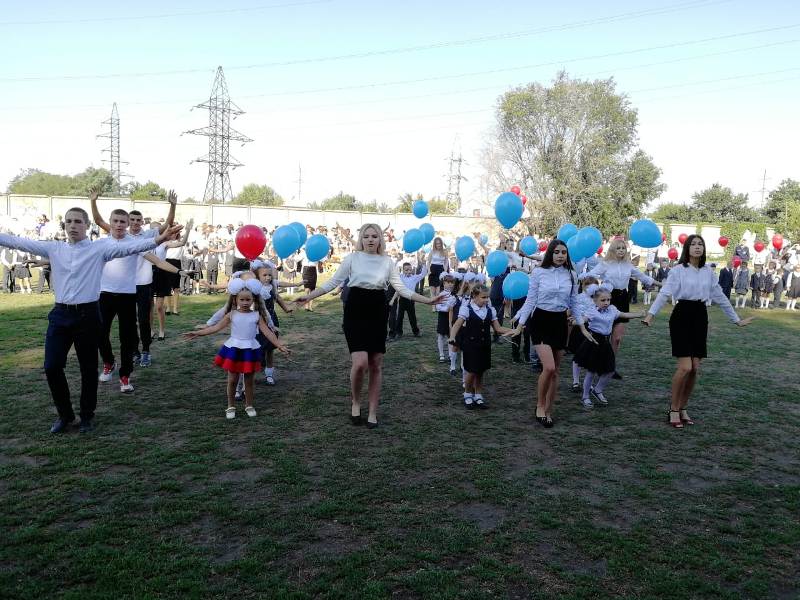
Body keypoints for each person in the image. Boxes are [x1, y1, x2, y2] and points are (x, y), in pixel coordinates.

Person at [0, 206, 181, 433]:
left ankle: (87, 415)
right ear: (64, 225)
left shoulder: (99, 249)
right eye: (69, 221)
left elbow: (130, 248)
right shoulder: (54, 248)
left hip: (88, 315)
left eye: (78, 221)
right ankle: (65, 415)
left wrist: (158, 239)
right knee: (52, 366)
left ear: (87, 225)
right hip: (60, 315)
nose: (73, 226)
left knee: (87, 368)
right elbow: (18, 242)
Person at [294, 223, 442, 428]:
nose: (370, 239)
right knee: (360, 363)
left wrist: (428, 300)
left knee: (376, 363)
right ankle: (356, 401)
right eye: (366, 236)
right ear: (361, 239)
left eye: (374, 236)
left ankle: (372, 411)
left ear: (380, 239)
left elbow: (402, 288)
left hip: (378, 309)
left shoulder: (387, 262)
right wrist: (309, 296)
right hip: (355, 308)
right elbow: (332, 283)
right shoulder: (352, 258)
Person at [642, 234, 753, 428]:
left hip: (700, 316)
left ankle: (683, 407)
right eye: (693, 244)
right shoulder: (678, 270)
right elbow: (665, 293)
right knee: (685, 367)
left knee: (695, 368)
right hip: (681, 316)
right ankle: (673, 409)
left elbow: (720, 296)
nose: (697, 247)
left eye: (700, 244)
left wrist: (736, 319)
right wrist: (651, 315)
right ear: (687, 248)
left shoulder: (708, 271)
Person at [510, 239, 590, 428]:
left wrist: (582, 326)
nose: (560, 255)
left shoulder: (572, 274)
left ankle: (548, 409)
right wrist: (520, 325)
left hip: (560, 322)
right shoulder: (539, 272)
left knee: (555, 372)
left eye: (563, 252)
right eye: (556, 252)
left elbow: (574, 302)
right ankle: (539, 405)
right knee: (549, 367)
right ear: (550, 253)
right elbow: (530, 300)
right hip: (540, 320)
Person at [183, 279, 289, 419]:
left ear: (253, 299)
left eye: (248, 300)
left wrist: (279, 345)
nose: (245, 302)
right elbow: (215, 328)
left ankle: (249, 405)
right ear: (235, 299)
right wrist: (198, 333)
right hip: (235, 350)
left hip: (250, 350)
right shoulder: (231, 315)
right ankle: (230, 406)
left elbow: (268, 333)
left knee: (249, 381)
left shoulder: (256, 316)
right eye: (242, 299)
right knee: (232, 380)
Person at [586, 238, 660, 380]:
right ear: (613, 250)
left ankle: (610, 367)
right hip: (608, 299)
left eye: (623, 248)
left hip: (622, 299)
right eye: (618, 248)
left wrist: (662, 284)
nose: (621, 250)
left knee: (617, 338)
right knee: (603, 336)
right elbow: (591, 275)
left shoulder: (628, 265)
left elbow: (644, 277)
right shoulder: (605, 264)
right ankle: (597, 363)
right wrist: (593, 289)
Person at [574, 283, 644, 408]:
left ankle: (597, 390)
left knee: (610, 370)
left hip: (605, 343)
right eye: (603, 300)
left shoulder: (612, 309)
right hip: (594, 342)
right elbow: (584, 319)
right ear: (595, 301)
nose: (606, 302)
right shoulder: (592, 311)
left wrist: (639, 314)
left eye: (608, 300)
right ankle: (585, 397)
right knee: (591, 371)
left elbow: (623, 314)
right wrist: (575, 321)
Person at [449, 284, 515, 408]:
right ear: (474, 296)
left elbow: (498, 328)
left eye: (487, 297)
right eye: (483, 297)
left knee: (480, 371)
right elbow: (457, 325)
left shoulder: (490, 310)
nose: (486, 300)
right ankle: (467, 393)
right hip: (471, 345)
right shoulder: (467, 309)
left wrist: (513, 331)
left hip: (484, 345)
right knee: (471, 371)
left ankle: (478, 394)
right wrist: (452, 336)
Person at [393, 261, 429, 338]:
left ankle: (416, 332)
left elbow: (423, 274)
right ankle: (399, 332)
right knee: (400, 317)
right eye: (406, 270)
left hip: (411, 299)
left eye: (410, 269)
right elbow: (393, 272)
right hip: (402, 299)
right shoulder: (400, 277)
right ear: (403, 270)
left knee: (412, 317)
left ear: (412, 269)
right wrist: (397, 261)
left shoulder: (414, 277)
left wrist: (424, 264)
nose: (408, 271)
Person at [434, 274, 457, 362]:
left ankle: (450, 354)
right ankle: (441, 354)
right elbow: (437, 306)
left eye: (452, 282)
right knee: (441, 335)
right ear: (444, 283)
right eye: (448, 282)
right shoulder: (441, 294)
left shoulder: (454, 294)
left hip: (452, 317)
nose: (450, 284)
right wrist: (446, 309)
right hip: (443, 316)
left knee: (450, 335)